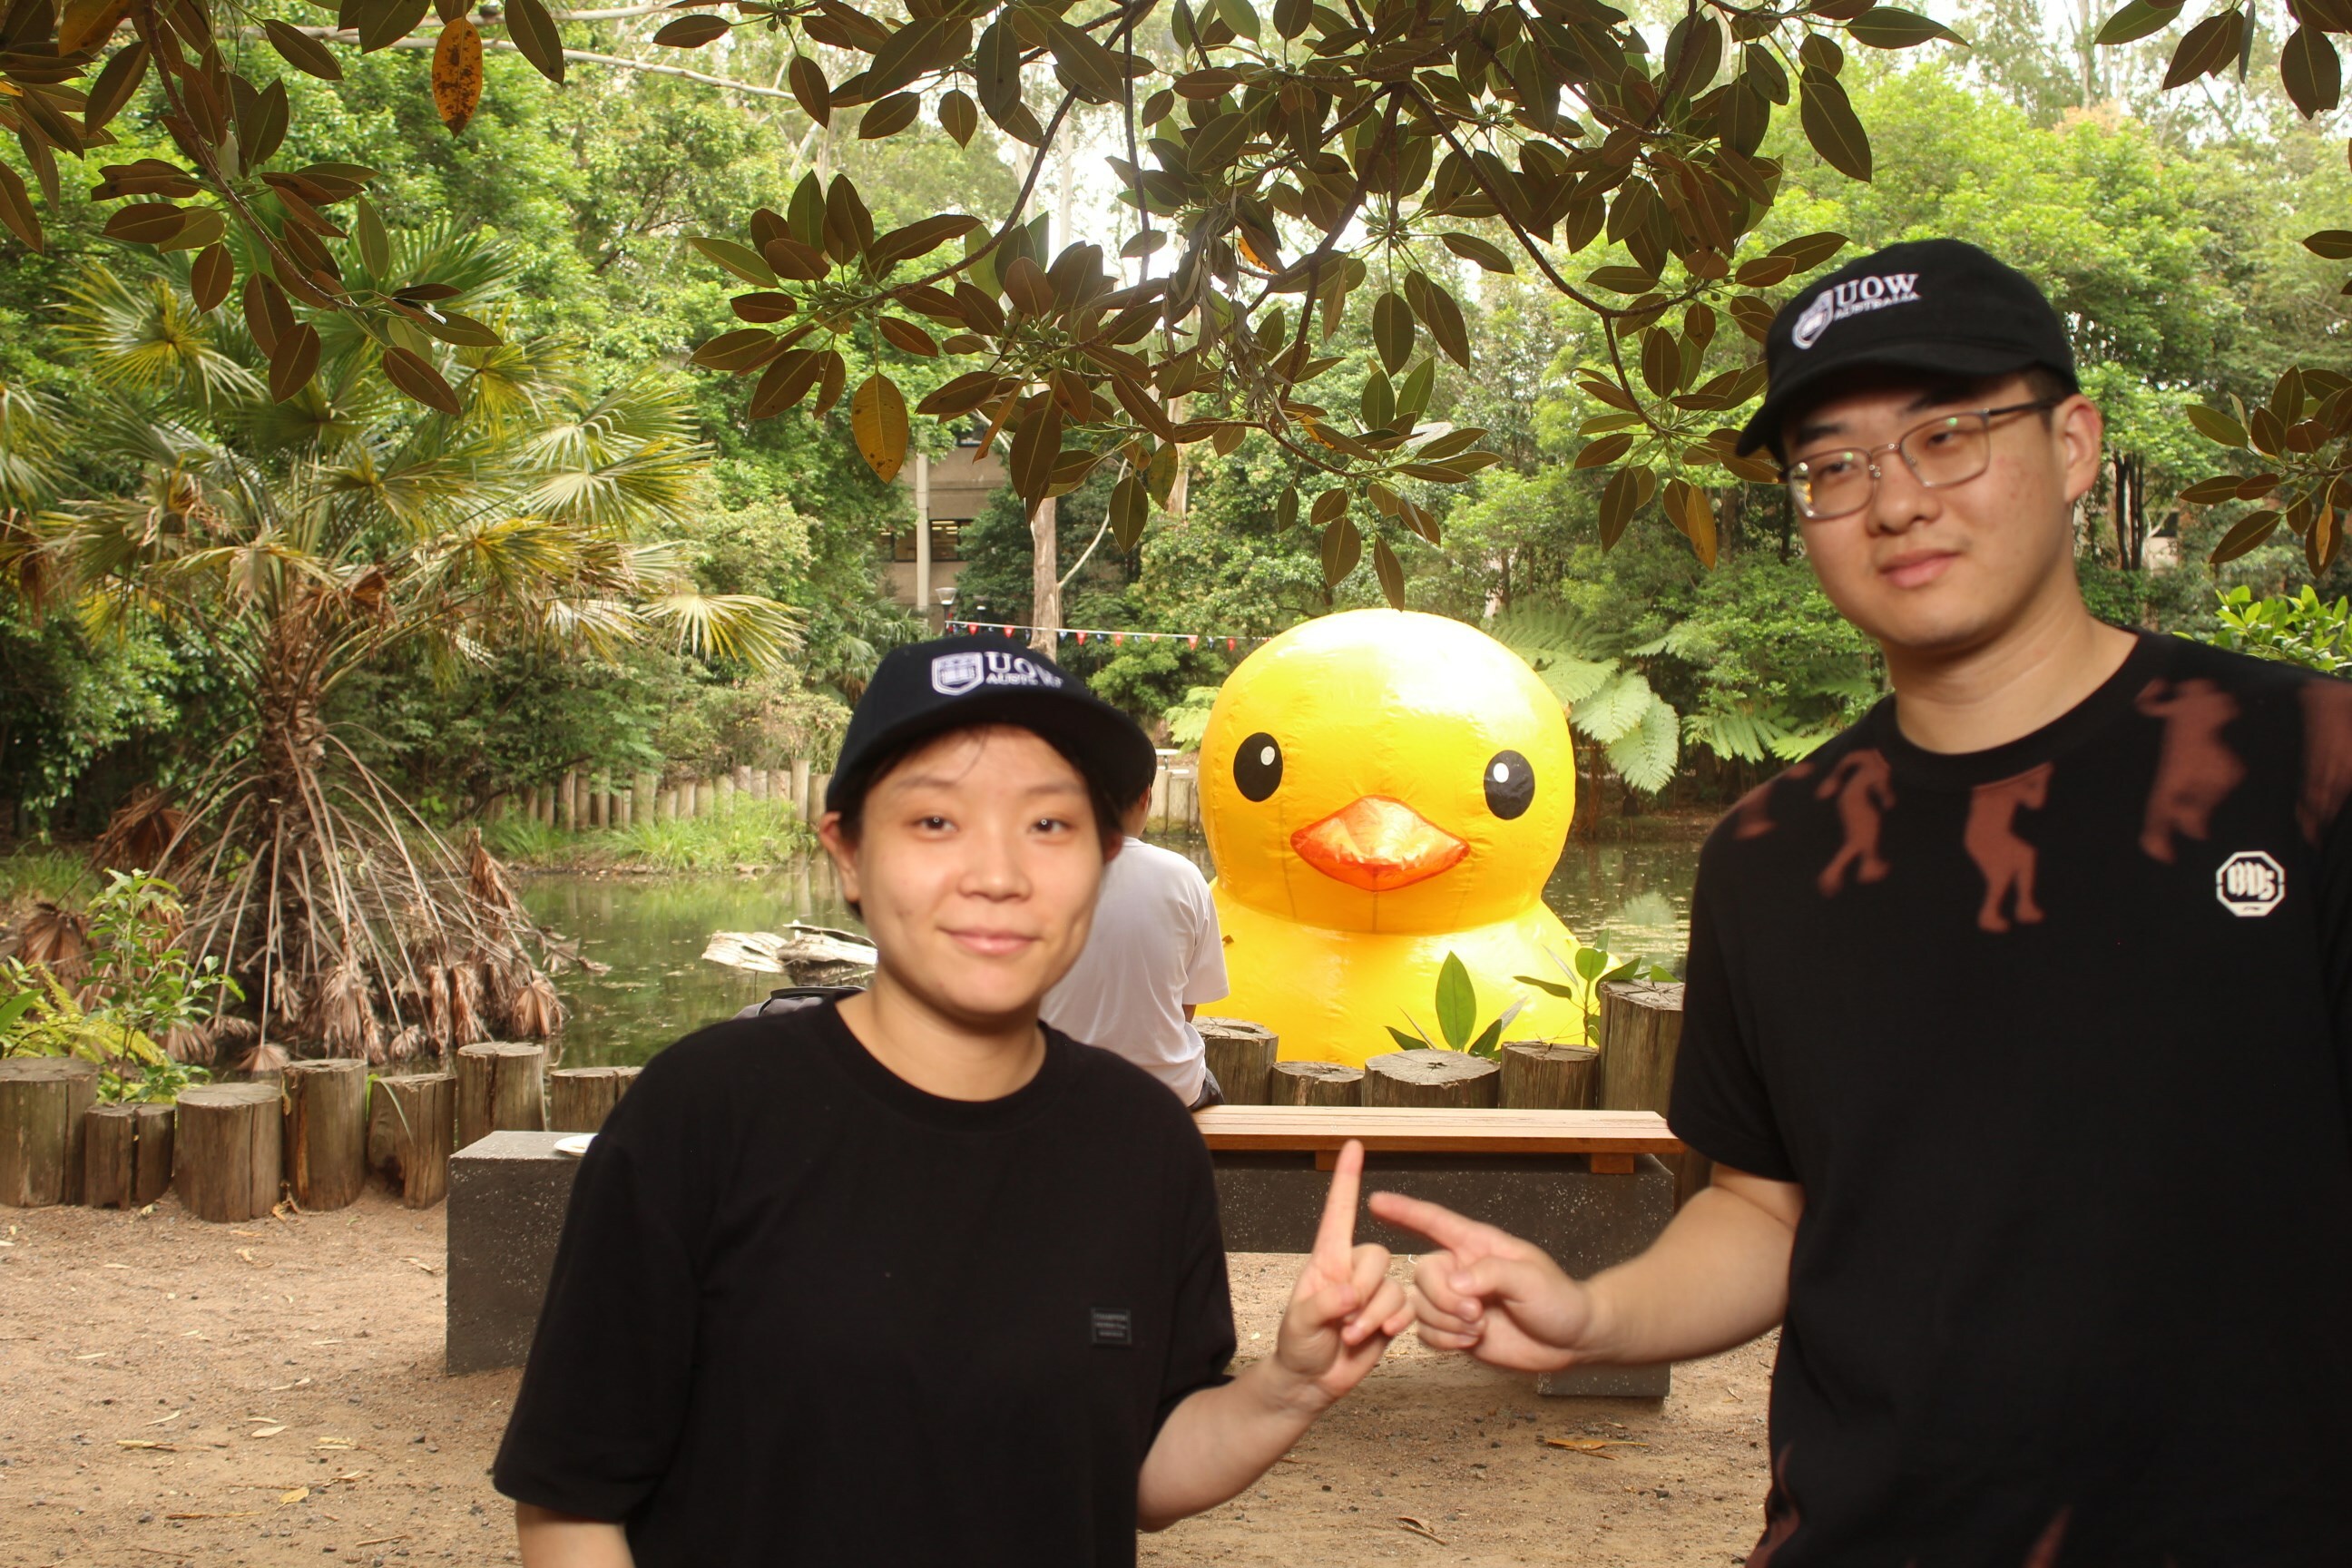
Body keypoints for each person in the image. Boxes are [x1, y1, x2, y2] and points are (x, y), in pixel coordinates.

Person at [1369, 240, 2352, 1566]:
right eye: (1834, 465)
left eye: (1948, 435)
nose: (1894, 500)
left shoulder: (2305, 766)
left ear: (2073, 445)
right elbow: (1764, 1210)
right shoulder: (1775, 853)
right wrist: (1593, 1318)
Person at [493, 633, 1413, 1567]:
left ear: (1105, 860)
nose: (998, 875)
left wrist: (1287, 1387)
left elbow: (1138, 1470)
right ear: (848, 854)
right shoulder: (705, 1112)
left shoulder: (1143, 1140)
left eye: (1048, 825)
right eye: (935, 821)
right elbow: (571, 1502)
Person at [1044, 785, 1230, 1109]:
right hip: (1164, 1093)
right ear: (1145, 796)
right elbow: (1186, 1010)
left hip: (1054, 1092)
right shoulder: (1185, 877)